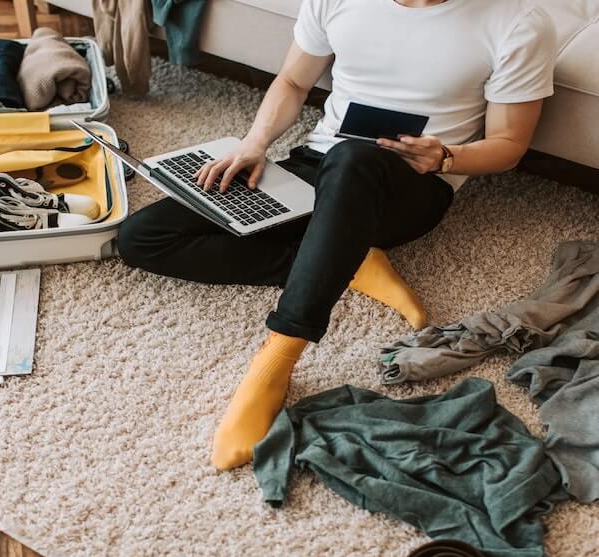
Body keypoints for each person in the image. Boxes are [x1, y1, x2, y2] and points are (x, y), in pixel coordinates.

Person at [117, 0, 558, 470]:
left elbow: (509, 145)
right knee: (142, 237)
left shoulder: (519, 23)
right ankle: (347, 260)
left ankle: (278, 357)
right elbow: (292, 81)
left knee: (353, 158)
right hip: (318, 164)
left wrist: (446, 157)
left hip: (414, 186)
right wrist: (253, 144)